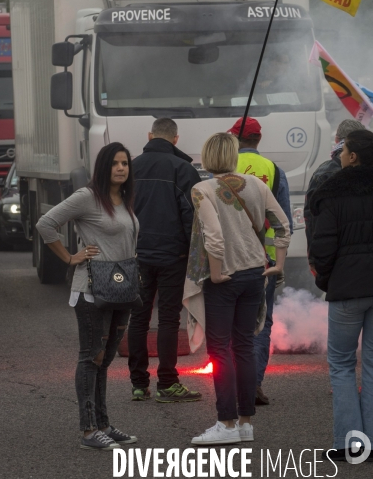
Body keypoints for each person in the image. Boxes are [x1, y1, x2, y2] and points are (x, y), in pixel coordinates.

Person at [187, 133, 290, 445]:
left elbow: (213, 235)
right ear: (232, 155)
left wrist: (216, 274)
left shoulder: (201, 189)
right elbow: (282, 224)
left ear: (207, 157)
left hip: (226, 278)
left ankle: (226, 424)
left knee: (219, 349)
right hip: (255, 274)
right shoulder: (257, 185)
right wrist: (279, 264)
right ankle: (245, 423)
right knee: (243, 346)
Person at [36, 143, 138, 451]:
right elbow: (45, 224)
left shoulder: (123, 199)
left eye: (125, 163)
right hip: (92, 289)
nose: (121, 168)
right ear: (103, 167)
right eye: (115, 163)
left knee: (105, 359)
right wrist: (69, 258)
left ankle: (104, 424)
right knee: (91, 356)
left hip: (123, 288)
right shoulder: (87, 197)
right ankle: (88, 430)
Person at [128, 118, 202, 403]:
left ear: (150, 136)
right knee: (169, 319)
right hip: (174, 255)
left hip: (138, 254)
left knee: (139, 316)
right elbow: (193, 216)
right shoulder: (183, 169)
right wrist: (194, 255)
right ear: (175, 140)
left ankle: (138, 384)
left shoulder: (130, 167)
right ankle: (168, 383)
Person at [309, 130, 373, 462]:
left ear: (351, 157)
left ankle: (350, 443)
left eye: (345, 149)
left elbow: (322, 247)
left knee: (343, 365)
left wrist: (328, 280)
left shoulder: (331, 195)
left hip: (347, 289)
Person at [228, 116, 293, 405]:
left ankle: (231, 384)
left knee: (229, 323)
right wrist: (279, 263)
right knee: (261, 323)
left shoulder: (222, 168)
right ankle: (253, 385)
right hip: (264, 261)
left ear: (234, 139)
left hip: (228, 258)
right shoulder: (274, 171)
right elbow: (284, 221)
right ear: (258, 140)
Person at [304, 119, 365, 270]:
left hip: (336, 259)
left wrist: (314, 260)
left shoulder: (322, 174)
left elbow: (312, 218)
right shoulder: (368, 171)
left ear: (337, 140)